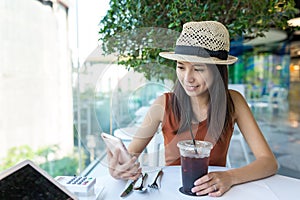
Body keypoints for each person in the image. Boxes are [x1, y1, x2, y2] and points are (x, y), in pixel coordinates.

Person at [106, 21, 278, 197]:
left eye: (198, 69)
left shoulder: (233, 102)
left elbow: (269, 162)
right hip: (171, 194)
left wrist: (230, 176)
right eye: (181, 67)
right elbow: (130, 156)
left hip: (213, 194)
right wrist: (118, 169)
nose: (187, 78)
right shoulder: (163, 104)